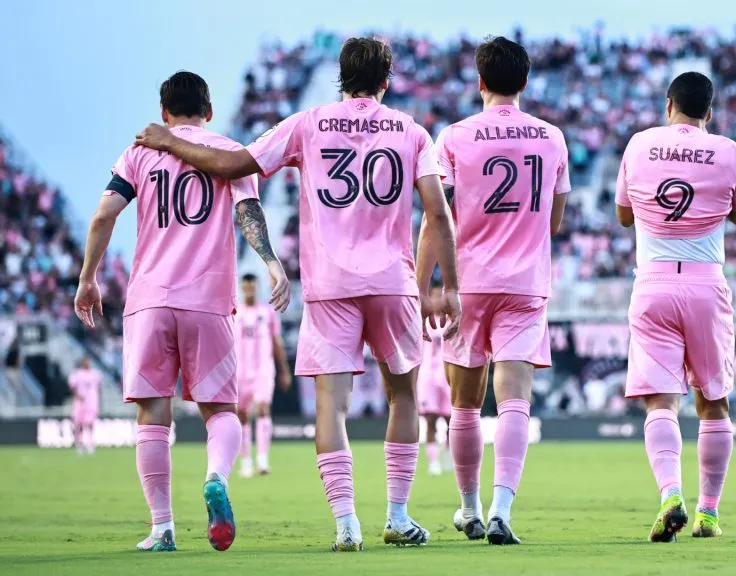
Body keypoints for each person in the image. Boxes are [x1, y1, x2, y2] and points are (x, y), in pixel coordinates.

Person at [134, 38, 461, 552]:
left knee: (332, 404)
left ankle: (346, 524)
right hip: (393, 282)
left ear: (340, 75)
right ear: (386, 79)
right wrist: (450, 286)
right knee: (403, 395)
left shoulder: (307, 123)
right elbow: (439, 214)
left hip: (330, 285)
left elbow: (234, 164)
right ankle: (398, 515)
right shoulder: (413, 131)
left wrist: (171, 141)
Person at [75, 71, 290, 553]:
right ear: (208, 111)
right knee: (221, 411)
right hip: (208, 301)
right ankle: (216, 477)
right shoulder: (228, 153)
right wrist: (272, 263)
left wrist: (88, 278)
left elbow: (104, 215)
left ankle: (162, 528)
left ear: (165, 111)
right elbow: (248, 214)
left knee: (153, 414)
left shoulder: (139, 151)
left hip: (149, 300)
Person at [418, 36, 570, 545]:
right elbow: (555, 220)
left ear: (479, 81)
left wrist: (431, 284)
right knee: (514, 403)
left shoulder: (455, 136)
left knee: (463, 406)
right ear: (525, 82)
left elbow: (436, 218)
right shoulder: (552, 138)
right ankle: (503, 508)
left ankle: (469, 508)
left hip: (470, 283)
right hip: (525, 284)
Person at [615, 71, 736, 541]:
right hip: (704, 284)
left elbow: (623, 215)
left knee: (661, 401)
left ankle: (669, 494)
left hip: (653, 281)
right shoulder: (727, 151)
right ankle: (709, 513)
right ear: (709, 113)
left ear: (668, 104)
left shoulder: (638, 145)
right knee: (713, 402)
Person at [235, 273, 292, 477]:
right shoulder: (235, 312)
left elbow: (277, 342)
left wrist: (284, 370)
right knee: (241, 415)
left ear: (257, 287)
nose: (249, 289)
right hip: (240, 371)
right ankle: (246, 462)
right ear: (242, 288)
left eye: (252, 286)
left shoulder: (267, 312)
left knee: (262, 409)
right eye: (246, 286)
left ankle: (262, 460)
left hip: (263, 370)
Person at [418, 284, 452, 476]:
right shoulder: (422, 322)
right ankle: (433, 462)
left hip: (446, 375)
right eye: (434, 296)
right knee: (430, 420)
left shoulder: (451, 322)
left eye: (441, 295)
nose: (438, 299)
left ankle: (448, 456)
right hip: (427, 377)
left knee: (451, 420)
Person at [68, 357, 102, 456]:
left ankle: (91, 445)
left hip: (91, 403)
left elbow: (98, 388)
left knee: (90, 424)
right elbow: (73, 387)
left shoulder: (95, 374)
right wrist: (78, 395)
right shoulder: (77, 374)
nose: (88, 363)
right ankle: (79, 446)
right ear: (82, 363)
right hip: (80, 404)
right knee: (79, 425)